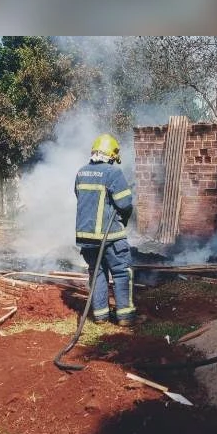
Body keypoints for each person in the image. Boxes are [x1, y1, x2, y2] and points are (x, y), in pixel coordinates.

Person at [73, 133, 136, 325]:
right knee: (121, 272)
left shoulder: (81, 173)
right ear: (111, 155)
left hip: (86, 238)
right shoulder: (113, 173)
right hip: (111, 237)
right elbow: (125, 204)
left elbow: (79, 196)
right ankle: (124, 316)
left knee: (97, 273)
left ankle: (100, 316)